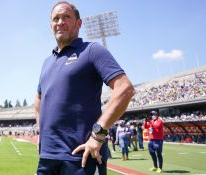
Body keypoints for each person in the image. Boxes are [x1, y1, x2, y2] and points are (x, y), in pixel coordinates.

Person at [34, 1, 135, 175]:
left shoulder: (92, 50)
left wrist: (97, 136)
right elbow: (38, 98)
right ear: (51, 24)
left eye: (66, 17)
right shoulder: (47, 62)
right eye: (56, 18)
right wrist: (41, 133)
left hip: (82, 158)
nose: (60, 22)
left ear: (78, 23)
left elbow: (124, 88)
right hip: (48, 157)